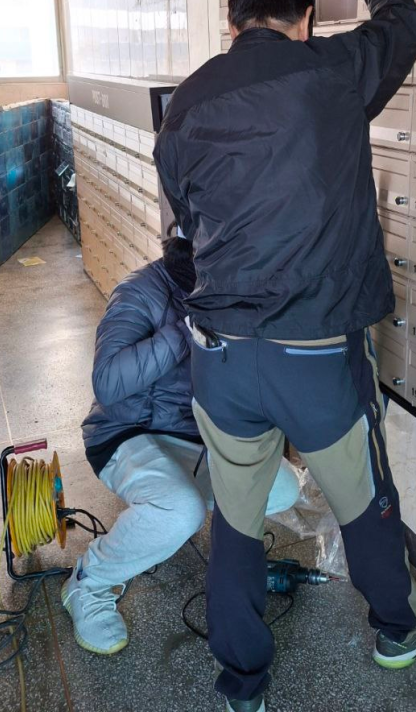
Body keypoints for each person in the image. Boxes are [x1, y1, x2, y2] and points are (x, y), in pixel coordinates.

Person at [153, 0, 416, 712]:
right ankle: (399, 630)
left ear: (232, 23)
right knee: (363, 500)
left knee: (235, 518)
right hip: (314, 355)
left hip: (220, 357)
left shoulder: (185, 102)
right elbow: (402, 26)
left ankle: (242, 681)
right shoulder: (331, 69)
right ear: (304, 21)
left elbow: (184, 224)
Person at [61, 233, 299, 656]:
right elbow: (108, 382)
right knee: (180, 510)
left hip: (195, 434)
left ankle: (209, 547)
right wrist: (186, 329)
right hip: (128, 432)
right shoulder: (141, 291)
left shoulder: (229, 291)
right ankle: (89, 581)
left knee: (281, 486)